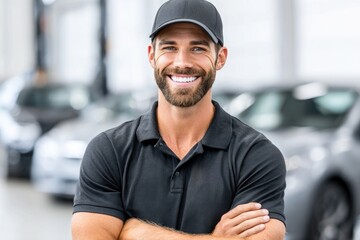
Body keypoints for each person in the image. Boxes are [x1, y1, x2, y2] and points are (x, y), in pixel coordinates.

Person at [71, 0, 286, 239]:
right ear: (152, 55)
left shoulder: (256, 155)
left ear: (220, 58)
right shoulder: (109, 150)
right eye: (170, 47)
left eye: (198, 48)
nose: (182, 62)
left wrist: (134, 231)